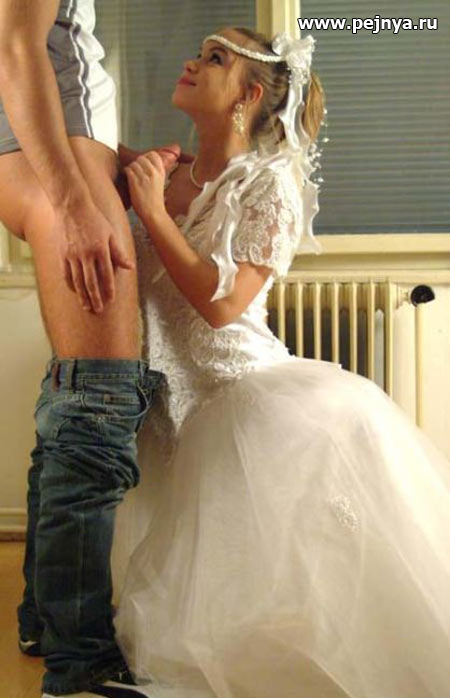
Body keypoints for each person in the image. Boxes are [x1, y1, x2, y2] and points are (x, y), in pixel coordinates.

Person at [113, 27, 450, 698]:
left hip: (244, 397)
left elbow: (221, 306)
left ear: (248, 94)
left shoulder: (270, 185)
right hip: (165, 404)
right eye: (201, 51)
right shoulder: (166, 169)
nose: (191, 61)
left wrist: (150, 210)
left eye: (215, 58)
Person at [0, 2, 179, 697]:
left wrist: (113, 157)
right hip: (61, 169)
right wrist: (76, 203)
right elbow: (18, 49)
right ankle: (82, 665)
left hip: (59, 158)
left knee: (73, 408)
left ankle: (47, 626)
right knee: (96, 412)